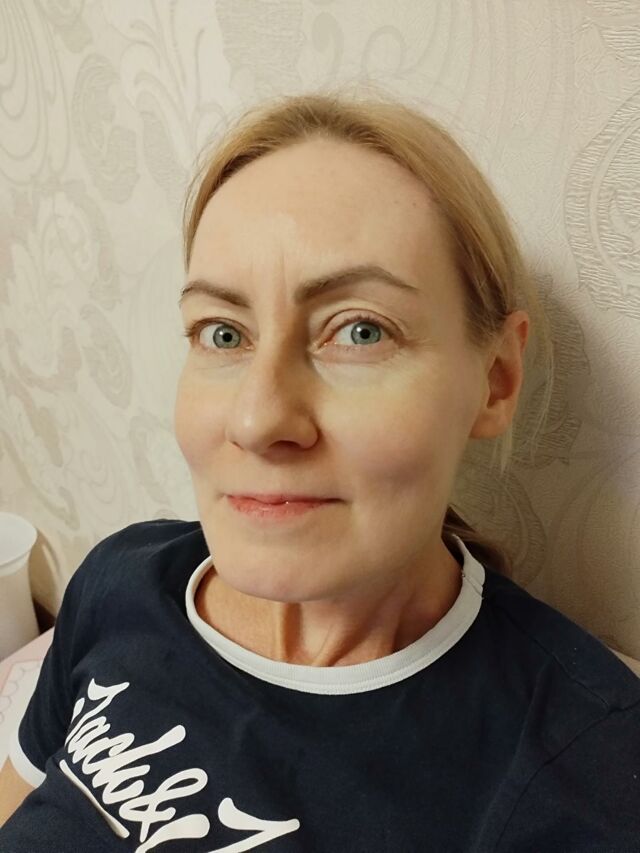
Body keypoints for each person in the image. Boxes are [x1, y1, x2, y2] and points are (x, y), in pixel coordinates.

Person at [0, 88, 638, 853]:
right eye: (223, 332)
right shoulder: (121, 579)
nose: (256, 418)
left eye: (360, 330)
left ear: (496, 379)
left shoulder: (583, 770)